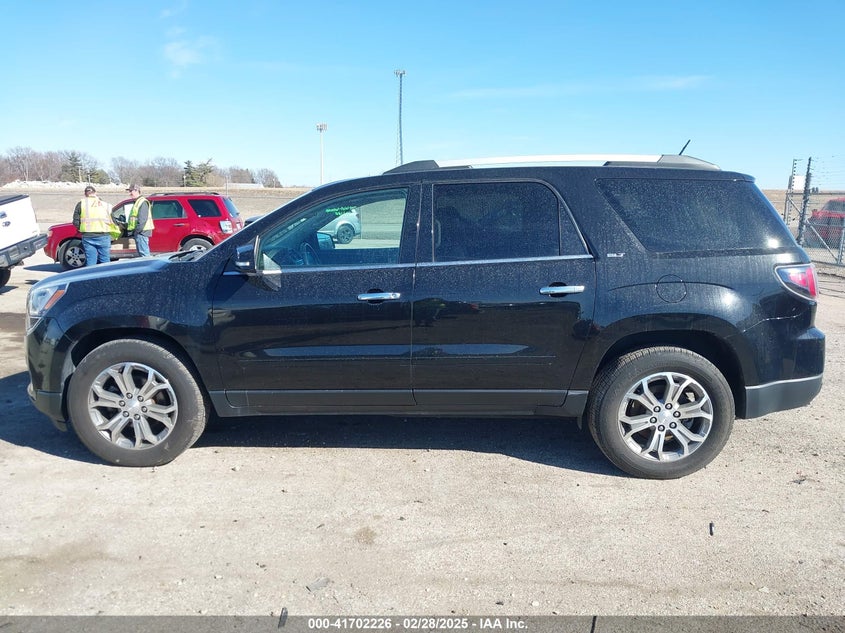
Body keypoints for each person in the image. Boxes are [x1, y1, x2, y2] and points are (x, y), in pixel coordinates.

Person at [72, 185, 114, 266]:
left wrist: (82, 229)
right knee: (105, 261)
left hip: (88, 236)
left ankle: (91, 278)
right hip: (103, 235)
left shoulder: (81, 204)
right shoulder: (105, 205)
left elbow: (75, 221)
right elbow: (113, 220)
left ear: (85, 194)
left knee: (91, 261)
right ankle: (106, 278)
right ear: (95, 193)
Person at [126, 183, 154, 257]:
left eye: (130, 191)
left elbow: (142, 220)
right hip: (140, 232)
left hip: (142, 232)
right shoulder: (138, 202)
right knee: (142, 254)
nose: (129, 193)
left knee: (144, 255)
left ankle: (148, 268)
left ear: (136, 190)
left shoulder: (142, 202)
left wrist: (137, 231)